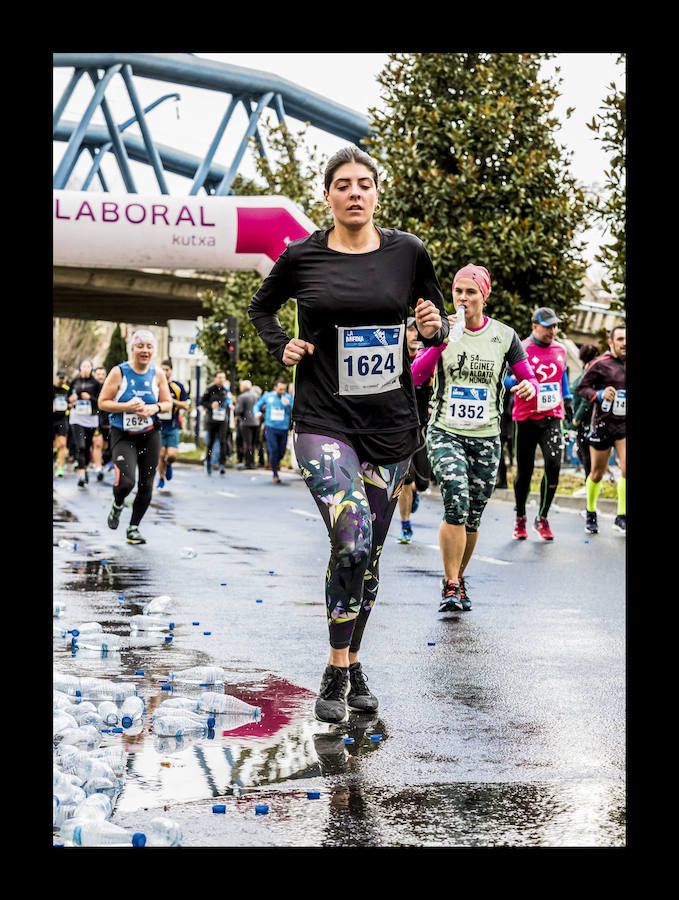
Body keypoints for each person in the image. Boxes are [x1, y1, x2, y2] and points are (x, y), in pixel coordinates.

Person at [249, 144, 449, 724]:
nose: (354, 192)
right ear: (329, 195)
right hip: (324, 420)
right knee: (352, 539)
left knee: (372, 555)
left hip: (389, 425)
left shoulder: (407, 252)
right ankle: (337, 671)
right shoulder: (302, 257)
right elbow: (263, 311)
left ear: (376, 192)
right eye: (343, 184)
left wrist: (432, 325)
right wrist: (278, 344)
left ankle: (349, 664)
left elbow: (431, 315)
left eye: (364, 183)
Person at [410, 264, 539, 613]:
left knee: (473, 515)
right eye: (458, 292)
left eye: (471, 292)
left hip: (487, 436)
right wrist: (442, 342)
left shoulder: (505, 336)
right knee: (456, 500)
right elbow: (417, 376)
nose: (463, 298)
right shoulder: (441, 330)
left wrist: (528, 386)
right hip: (445, 431)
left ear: (485, 294)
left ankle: (458, 579)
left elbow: (528, 378)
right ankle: (451, 584)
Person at [97, 329, 171, 544]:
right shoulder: (119, 372)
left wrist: (154, 408)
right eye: (140, 346)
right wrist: (125, 406)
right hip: (123, 434)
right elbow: (103, 402)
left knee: (146, 484)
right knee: (126, 483)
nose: (145, 351)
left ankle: (133, 528)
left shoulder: (157, 374)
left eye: (149, 347)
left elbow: (167, 403)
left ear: (153, 351)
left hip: (149, 434)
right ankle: (118, 504)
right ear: (132, 349)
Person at [508, 307, 574, 541]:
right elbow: (506, 379)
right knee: (524, 472)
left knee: (554, 466)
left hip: (552, 416)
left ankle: (542, 517)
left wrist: (568, 400)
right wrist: (514, 381)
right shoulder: (522, 348)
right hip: (525, 418)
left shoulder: (560, 349)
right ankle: (521, 517)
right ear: (534, 326)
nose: (552, 331)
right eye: (547, 326)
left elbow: (561, 377)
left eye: (555, 326)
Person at [575, 325, 626, 535]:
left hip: (623, 425)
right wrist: (600, 394)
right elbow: (581, 389)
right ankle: (590, 511)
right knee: (597, 474)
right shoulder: (599, 364)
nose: (625, 343)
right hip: (602, 425)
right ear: (611, 343)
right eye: (621, 339)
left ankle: (621, 516)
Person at [397, 317, 432, 543]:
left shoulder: (429, 358)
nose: (415, 334)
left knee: (423, 481)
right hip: (400, 426)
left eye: (418, 330)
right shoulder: (396, 359)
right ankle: (405, 524)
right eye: (410, 330)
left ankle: (416, 494)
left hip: (423, 425)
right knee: (405, 480)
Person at [68, 359, 102, 488]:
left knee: (87, 446)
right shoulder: (75, 381)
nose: (86, 368)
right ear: (79, 368)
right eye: (83, 366)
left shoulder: (96, 383)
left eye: (88, 366)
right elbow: (67, 397)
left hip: (91, 418)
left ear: (92, 369)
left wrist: (90, 398)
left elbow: (100, 401)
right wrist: (70, 399)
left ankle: (85, 468)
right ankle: (81, 475)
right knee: (80, 446)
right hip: (76, 418)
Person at [254, 379, 294, 484]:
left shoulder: (288, 397)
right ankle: (275, 474)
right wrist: (256, 412)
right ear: (275, 388)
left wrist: (289, 405)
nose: (282, 391)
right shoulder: (268, 396)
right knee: (274, 449)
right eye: (280, 389)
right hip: (270, 428)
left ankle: (274, 462)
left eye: (284, 389)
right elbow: (257, 405)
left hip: (284, 428)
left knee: (281, 452)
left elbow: (295, 410)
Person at [157, 359, 190, 487]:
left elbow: (186, 404)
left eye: (167, 369)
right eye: (162, 369)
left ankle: (169, 464)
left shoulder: (177, 386)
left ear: (171, 371)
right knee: (160, 453)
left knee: (171, 455)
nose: (164, 372)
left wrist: (172, 402)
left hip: (172, 426)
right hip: (158, 426)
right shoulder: (155, 385)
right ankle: (161, 478)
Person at [570, 344, 600, 479]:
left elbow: (586, 399)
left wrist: (576, 418)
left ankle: (590, 483)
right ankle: (590, 482)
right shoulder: (590, 371)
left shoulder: (589, 372)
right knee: (583, 453)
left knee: (586, 455)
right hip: (587, 421)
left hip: (586, 421)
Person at [200, 371, 232, 475]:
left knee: (223, 441)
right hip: (212, 420)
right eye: (219, 377)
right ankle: (208, 462)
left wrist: (231, 405)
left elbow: (230, 401)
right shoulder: (210, 389)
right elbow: (202, 402)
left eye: (223, 378)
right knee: (211, 442)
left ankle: (222, 464)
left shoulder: (226, 390)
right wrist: (210, 405)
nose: (221, 379)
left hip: (223, 419)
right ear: (215, 378)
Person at [234, 380, 260, 470]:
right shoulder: (256, 396)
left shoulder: (242, 397)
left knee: (247, 444)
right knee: (253, 444)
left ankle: (248, 463)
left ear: (243, 387)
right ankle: (252, 462)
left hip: (246, 423)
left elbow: (239, 410)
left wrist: (237, 412)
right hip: (256, 422)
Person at [92, 365, 110, 482]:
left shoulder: (109, 387)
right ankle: (98, 468)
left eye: (102, 374)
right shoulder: (91, 387)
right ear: (94, 375)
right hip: (94, 419)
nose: (100, 376)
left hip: (108, 420)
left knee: (105, 446)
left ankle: (102, 463)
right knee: (97, 444)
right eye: (98, 374)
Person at [53, 369, 70, 478]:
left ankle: (60, 467)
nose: (61, 380)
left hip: (62, 419)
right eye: (60, 378)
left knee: (63, 444)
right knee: (56, 444)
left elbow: (71, 400)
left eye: (63, 378)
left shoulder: (67, 389)